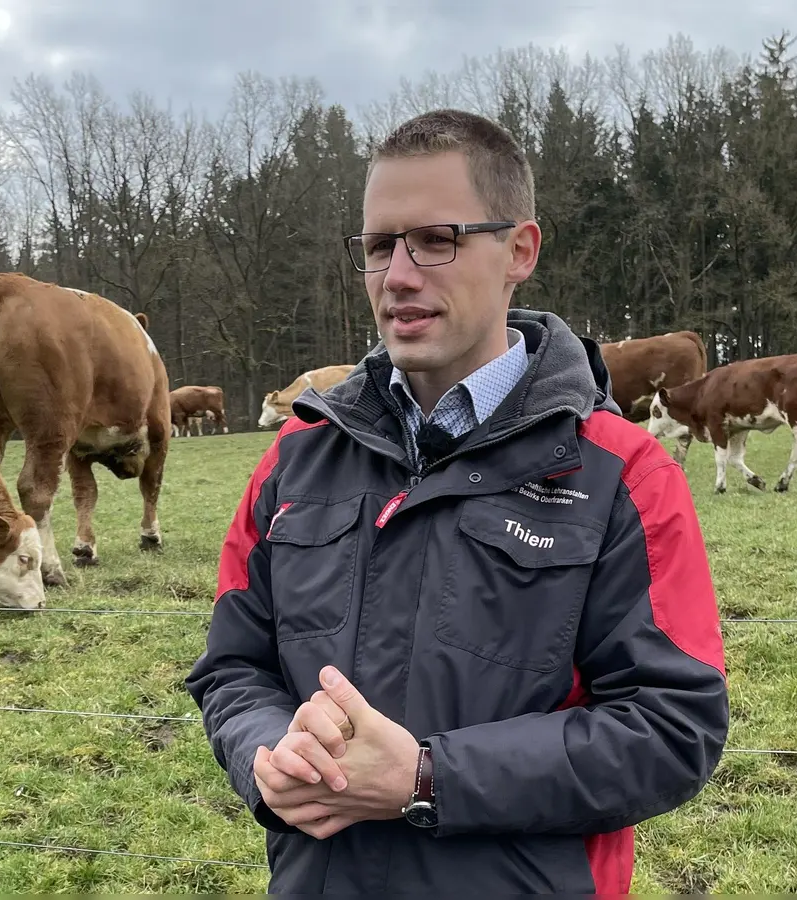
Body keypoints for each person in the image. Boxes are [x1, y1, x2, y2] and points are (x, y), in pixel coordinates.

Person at [186, 108, 728, 893]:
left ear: (519, 250)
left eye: (436, 240)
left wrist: (429, 779)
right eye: (378, 246)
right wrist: (266, 753)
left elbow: (672, 728)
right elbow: (234, 668)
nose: (398, 275)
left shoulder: (623, 476)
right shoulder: (292, 463)